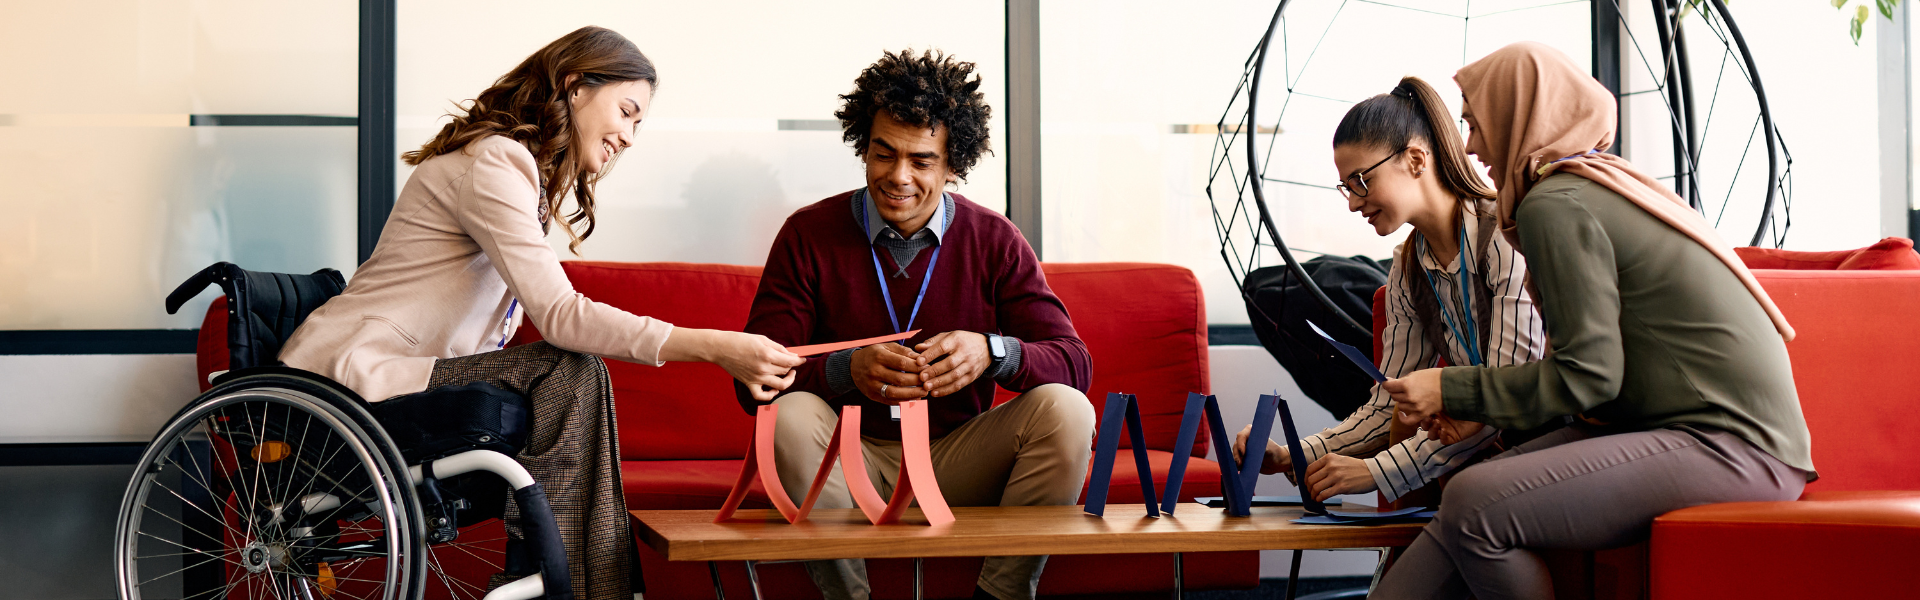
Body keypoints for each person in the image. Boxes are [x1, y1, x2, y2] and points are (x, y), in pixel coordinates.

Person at [279, 26, 805, 600]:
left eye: (638, 124)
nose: (629, 137)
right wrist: (716, 346)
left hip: (406, 379)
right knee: (569, 366)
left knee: (572, 372)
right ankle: (569, 584)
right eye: (627, 112)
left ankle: (566, 581)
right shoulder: (495, 162)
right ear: (575, 86)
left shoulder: (511, 169)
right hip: (356, 381)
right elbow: (561, 316)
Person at [1369, 42, 1815, 600]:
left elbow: (1588, 376)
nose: (1469, 145)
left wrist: (1449, 389)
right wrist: (1470, 406)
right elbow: (1603, 380)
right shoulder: (1588, 183)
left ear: (1519, 113)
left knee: (1474, 503)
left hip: (1733, 447)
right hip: (1696, 433)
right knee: (1466, 496)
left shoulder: (1556, 204)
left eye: (1476, 124)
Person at [738, 49, 1095, 600]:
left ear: (954, 165)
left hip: (959, 457)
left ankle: (999, 596)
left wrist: (993, 352)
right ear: (864, 146)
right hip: (845, 459)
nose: (898, 177)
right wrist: (845, 370)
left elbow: (1074, 362)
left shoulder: (994, 239)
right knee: (785, 414)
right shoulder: (807, 235)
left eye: (922, 161)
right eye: (884, 154)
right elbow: (752, 383)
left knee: (1068, 410)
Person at [1232, 76, 1548, 506]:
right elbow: (1386, 404)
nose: (1352, 202)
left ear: (1416, 159)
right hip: (1479, 451)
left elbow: (1506, 391)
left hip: (1545, 438)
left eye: (1361, 180)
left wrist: (1374, 472)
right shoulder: (1408, 265)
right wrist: (1291, 455)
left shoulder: (1503, 237)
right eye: (1346, 186)